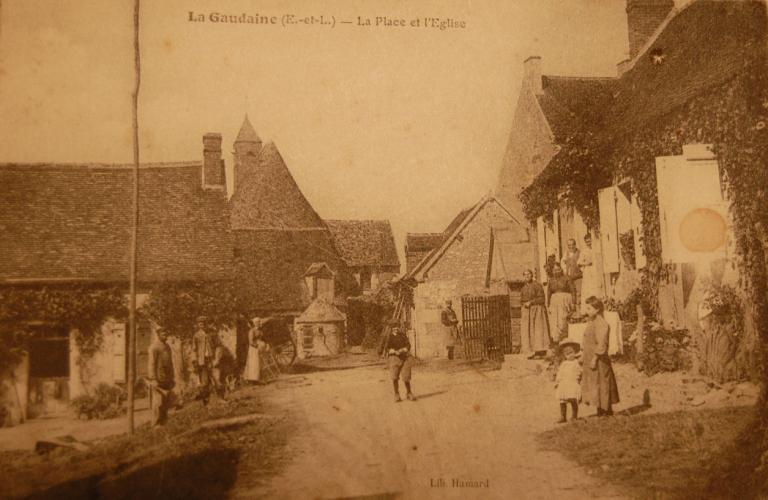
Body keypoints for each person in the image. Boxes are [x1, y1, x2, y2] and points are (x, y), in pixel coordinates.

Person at [580, 296, 620, 416]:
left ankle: (606, 411)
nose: (587, 311)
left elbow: (602, 343)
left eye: (589, 308)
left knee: (603, 383)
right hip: (591, 357)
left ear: (597, 310)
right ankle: (600, 410)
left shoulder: (602, 324)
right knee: (595, 384)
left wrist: (595, 358)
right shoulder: (592, 322)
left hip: (599, 359)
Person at [380, 321, 416, 402]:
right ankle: (396, 394)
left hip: (404, 357)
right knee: (394, 376)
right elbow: (386, 348)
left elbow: (408, 345)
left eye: (397, 327)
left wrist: (404, 349)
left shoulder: (402, 335)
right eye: (394, 327)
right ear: (391, 328)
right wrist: (393, 351)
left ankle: (409, 393)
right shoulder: (389, 337)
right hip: (394, 358)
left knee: (406, 376)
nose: (396, 329)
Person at [520, 269, 551, 359]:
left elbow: (542, 299)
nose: (527, 276)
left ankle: (541, 352)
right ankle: (532, 352)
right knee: (529, 331)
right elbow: (521, 300)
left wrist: (531, 302)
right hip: (527, 311)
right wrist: (523, 304)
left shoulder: (537, 285)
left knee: (538, 330)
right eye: (525, 275)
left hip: (537, 310)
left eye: (528, 274)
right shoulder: (523, 288)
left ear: (532, 275)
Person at [147, 328, 175, 426]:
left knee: (165, 402)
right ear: (158, 335)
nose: (165, 335)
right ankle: (156, 423)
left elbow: (170, 363)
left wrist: (172, 377)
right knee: (158, 402)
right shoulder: (154, 347)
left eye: (166, 333)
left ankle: (164, 422)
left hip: (166, 378)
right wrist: (153, 378)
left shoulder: (167, 347)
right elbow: (151, 363)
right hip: (158, 378)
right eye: (163, 333)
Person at [555, 339, 582, 423]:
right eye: (567, 354)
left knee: (573, 399)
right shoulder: (564, 364)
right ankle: (563, 416)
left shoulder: (576, 363)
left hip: (572, 383)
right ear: (564, 355)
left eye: (571, 353)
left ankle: (574, 416)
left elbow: (580, 372)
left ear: (575, 353)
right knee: (562, 400)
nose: (569, 356)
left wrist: (578, 379)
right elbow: (560, 373)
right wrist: (558, 382)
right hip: (564, 384)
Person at [547, 263, 574, 342]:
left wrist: (573, 302)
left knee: (563, 319)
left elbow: (573, 290)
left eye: (558, 269)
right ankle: (557, 341)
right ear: (552, 271)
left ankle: (565, 338)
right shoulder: (551, 280)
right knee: (555, 321)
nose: (556, 271)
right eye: (554, 270)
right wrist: (548, 304)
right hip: (554, 301)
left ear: (561, 270)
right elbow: (549, 292)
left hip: (565, 300)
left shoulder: (567, 278)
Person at [192, 317, 215, 404]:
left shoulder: (211, 334)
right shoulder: (196, 335)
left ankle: (213, 398)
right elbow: (194, 349)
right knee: (204, 379)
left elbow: (216, 345)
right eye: (200, 324)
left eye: (204, 323)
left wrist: (215, 357)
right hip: (202, 360)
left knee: (212, 378)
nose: (202, 325)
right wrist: (194, 360)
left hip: (210, 359)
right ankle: (205, 399)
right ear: (198, 325)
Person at [578, 234, 601, 312]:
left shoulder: (597, 249)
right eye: (587, 242)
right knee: (588, 289)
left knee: (596, 288)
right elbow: (579, 263)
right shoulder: (584, 251)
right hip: (588, 272)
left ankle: (597, 308)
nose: (589, 243)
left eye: (590, 241)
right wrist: (586, 264)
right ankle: (587, 310)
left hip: (596, 271)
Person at [561, 238, 583, 310]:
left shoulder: (579, 253)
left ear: (575, 245)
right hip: (569, 277)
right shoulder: (566, 253)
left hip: (578, 277)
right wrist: (565, 272)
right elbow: (563, 263)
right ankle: (572, 311)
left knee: (578, 294)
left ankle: (579, 311)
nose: (571, 247)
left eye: (572, 245)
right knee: (570, 293)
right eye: (569, 245)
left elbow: (582, 263)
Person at [244, 317, 266, 384]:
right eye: (258, 322)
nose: (259, 323)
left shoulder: (261, 331)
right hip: (253, 349)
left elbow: (263, 339)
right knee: (253, 364)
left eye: (259, 322)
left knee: (260, 363)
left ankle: (258, 378)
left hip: (260, 348)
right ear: (255, 323)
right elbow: (250, 341)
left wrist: (264, 344)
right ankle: (252, 379)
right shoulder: (252, 331)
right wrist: (257, 345)